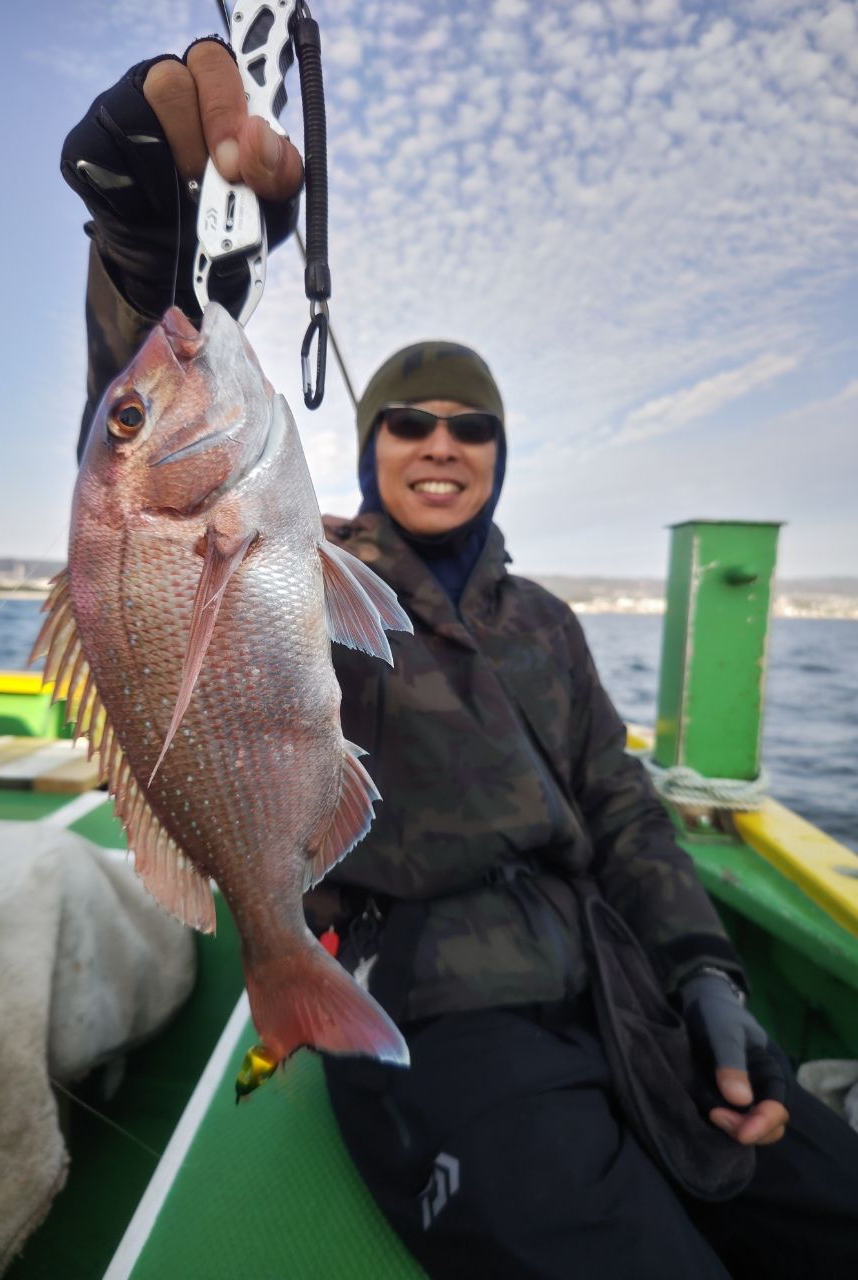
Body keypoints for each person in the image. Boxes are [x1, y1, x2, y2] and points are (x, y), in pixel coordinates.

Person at [61, 38, 858, 1278]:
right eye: (409, 424)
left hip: (612, 976)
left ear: (497, 450)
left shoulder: (545, 618)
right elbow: (131, 490)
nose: (441, 444)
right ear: (366, 446)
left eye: (470, 426)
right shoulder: (306, 567)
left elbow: (621, 804)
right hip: (435, 1004)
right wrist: (142, 235)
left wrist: (705, 974)